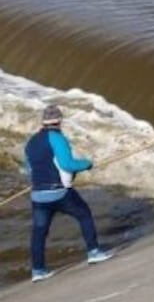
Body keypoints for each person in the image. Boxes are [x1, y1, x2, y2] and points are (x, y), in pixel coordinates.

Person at [24, 104, 112, 282]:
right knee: (84, 214)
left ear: (43, 121)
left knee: (39, 233)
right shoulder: (57, 138)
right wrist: (87, 163)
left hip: (38, 195)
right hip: (58, 192)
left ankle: (38, 271)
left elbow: (29, 169)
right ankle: (94, 252)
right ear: (59, 121)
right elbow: (67, 164)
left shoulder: (30, 142)